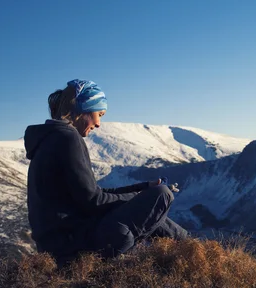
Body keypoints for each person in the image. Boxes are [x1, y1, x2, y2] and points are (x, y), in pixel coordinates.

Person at [25, 79, 188, 266]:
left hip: (62, 244)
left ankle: (191, 247)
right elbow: (94, 201)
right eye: (99, 114)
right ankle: (193, 248)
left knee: (151, 200)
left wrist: (143, 188)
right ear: (84, 109)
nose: (99, 123)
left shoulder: (47, 140)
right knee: (161, 195)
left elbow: (93, 195)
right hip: (75, 247)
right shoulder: (68, 138)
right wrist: (142, 195)